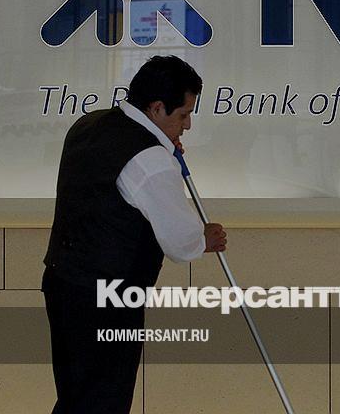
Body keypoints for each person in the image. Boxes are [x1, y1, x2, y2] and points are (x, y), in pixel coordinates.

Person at [41, 55, 227, 414]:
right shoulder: (150, 159)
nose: (187, 125)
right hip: (110, 296)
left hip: (63, 282)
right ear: (156, 108)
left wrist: (163, 148)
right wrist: (204, 239)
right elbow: (179, 240)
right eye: (183, 115)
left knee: (77, 396)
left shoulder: (88, 124)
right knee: (104, 400)